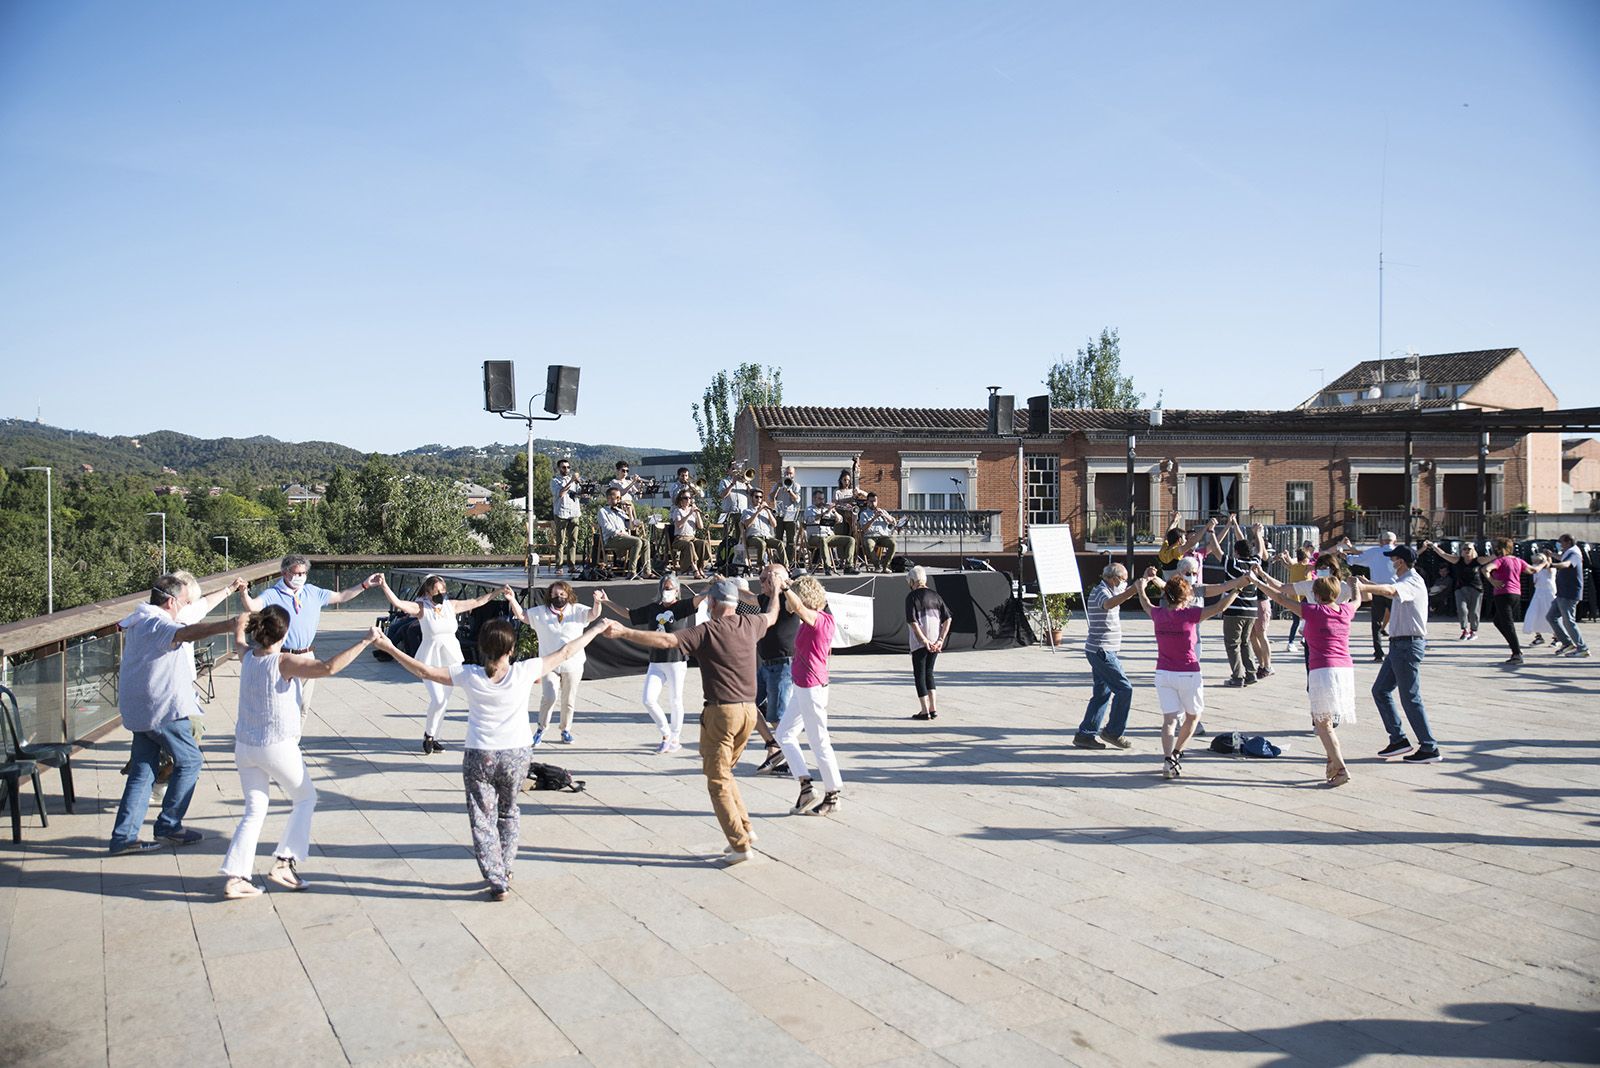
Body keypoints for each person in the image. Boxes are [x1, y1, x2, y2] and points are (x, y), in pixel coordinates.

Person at [374, 616, 606, 900]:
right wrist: (595, 628)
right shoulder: (524, 670)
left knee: (482, 819)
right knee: (509, 812)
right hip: (516, 754)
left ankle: (496, 879)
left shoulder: (468, 674)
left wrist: (389, 647)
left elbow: (424, 671)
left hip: (479, 755)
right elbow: (567, 651)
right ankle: (505, 868)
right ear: (511, 648)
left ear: (482, 647)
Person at [602, 578, 784, 864]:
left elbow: (666, 640)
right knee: (726, 772)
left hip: (722, 713)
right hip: (749, 713)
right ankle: (745, 830)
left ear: (712, 604)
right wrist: (775, 592)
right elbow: (772, 615)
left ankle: (739, 845)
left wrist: (625, 632)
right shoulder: (750, 625)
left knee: (717, 780)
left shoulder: (706, 631)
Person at [219, 606, 375, 898]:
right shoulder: (283, 662)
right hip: (275, 744)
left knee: (254, 810)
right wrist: (364, 641)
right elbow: (327, 668)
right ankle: (284, 863)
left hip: (245, 747)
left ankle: (236, 876)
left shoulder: (248, 657)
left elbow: (240, 642)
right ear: (285, 632)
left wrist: (239, 627)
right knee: (305, 798)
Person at [108, 575, 241, 853]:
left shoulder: (140, 619)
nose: (186, 607)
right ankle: (169, 826)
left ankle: (124, 838)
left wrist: (229, 590)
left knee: (143, 772)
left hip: (140, 712)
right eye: (184, 602)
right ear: (170, 601)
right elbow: (184, 633)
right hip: (162, 710)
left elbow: (196, 613)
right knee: (190, 761)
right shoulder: (158, 623)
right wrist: (229, 625)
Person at [374, 574, 509, 754]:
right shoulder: (422, 608)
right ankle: (429, 736)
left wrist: (498, 591)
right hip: (430, 660)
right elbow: (398, 603)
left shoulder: (450, 606)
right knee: (437, 699)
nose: (440, 594)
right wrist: (384, 586)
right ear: (428, 592)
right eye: (436, 591)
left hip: (451, 659)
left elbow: (477, 601)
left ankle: (433, 737)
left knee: (444, 701)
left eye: (442, 591)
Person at [1133, 568, 1241, 781]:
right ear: (1186, 596)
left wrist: (1141, 588)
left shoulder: (1158, 614)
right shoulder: (1190, 615)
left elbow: (1146, 602)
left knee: (1169, 720)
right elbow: (1219, 606)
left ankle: (1166, 757)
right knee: (1193, 717)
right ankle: (1176, 754)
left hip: (1163, 673)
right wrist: (1236, 590)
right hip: (1188, 672)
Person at [1254, 572, 1356, 787]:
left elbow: (1281, 598)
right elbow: (1358, 600)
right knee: (1326, 722)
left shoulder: (1314, 611)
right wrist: (1355, 586)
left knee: (1322, 723)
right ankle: (1332, 762)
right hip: (1345, 669)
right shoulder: (1346, 610)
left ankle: (1341, 767)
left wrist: (1257, 582)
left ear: (1317, 595)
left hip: (1323, 669)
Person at [242, 555, 379, 714]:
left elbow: (341, 596)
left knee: (303, 707)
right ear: (285, 573)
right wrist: (244, 593)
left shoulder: (312, 591)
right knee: (281, 706)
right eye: (297, 573)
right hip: (283, 655)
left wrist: (365, 585)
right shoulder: (272, 594)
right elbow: (252, 606)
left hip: (307, 654)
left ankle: (296, 738)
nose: (301, 577)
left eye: (304, 573)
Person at [1359, 544, 1442, 764]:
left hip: (1407, 645)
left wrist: (1364, 586)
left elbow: (1390, 591)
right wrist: (1370, 585)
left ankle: (1429, 746)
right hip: (1399, 646)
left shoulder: (1412, 581)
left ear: (1401, 562)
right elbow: (1389, 588)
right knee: (1381, 690)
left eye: (1393, 560)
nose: (1391, 564)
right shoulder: (1404, 581)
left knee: (1410, 698)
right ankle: (1398, 740)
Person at [775, 575, 843, 816]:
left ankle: (832, 794)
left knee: (819, 740)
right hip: (804, 685)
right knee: (784, 734)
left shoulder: (819, 620)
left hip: (812, 687)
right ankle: (805, 786)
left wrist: (785, 588)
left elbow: (802, 610)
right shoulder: (813, 621)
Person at [622, 574, 698, 753]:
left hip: (676, 660)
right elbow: (629, 614)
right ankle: (665, 733)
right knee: (648, 699)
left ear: (677, 590)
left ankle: (675, 737)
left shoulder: (681, 607)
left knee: (675, 699)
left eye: (670, 588)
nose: (667, 591)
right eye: (665, 588)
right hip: (656, 660)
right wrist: (606, 602)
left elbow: (698, 600)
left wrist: (711, 588)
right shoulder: (653, 609)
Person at [521, 581, 603, 745]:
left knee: (568, 699)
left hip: (573, 664)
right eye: (555, 594)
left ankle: (565, 730)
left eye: (562, 594)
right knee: (549, 696)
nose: (559, 597)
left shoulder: (577, 610)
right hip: (549, 663)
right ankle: (541, 729)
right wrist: (511, 599)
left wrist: (597, 602)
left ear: (568, 595)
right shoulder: (541, 612)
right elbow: (524, 617)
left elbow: (594, 615)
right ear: (550, 596)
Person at [1072, 563, 1142, 751]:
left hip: (1101, 650)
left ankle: (1085, 734)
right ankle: (1113, 732)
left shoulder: (1110, 590)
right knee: (1124, 689)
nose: (1124, 583)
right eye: (1123, 579)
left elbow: (1121, 596)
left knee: (1102, 694)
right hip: (1101, 651)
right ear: (1113, 578)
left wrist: (1142, 583)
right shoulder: (1101, 592)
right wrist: (1134, 589)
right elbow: (1109, 603)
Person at [1340, 531, 1400, 661]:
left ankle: (1378, 653)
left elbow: (1354, 559)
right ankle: (1395, 651)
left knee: (1376, 623)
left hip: (1376, 589)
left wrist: (1343, 554)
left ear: (1381, 541)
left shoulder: (1374, 552)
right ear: (1395, 541)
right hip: (1395, 591)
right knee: (1396, 622)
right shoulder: (1400, 552)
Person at [1215, 523, 1263, 686]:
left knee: (1232, 643)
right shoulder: (1255, 564)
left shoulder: (1232, 564)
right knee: (1245, 642)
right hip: (1251, 610)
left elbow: (1216, 550)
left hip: (1234, 609)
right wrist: (1257, 534)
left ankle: (1237, 676)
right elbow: (1260, 551)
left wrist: (1211, 532)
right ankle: (1251, 673)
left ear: (1236, 552)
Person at [906, 566, 951, 720]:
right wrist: (940, 640)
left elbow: (912, 621)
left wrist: (923, 640)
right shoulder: (936, 596)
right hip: (935, 641)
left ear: (912, 581)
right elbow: (948, 618)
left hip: (920, 643)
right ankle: (933, 708)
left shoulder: (911, 597)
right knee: (929, 673)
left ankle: (924, 710)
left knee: (920, 674)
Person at [1424, 540, 1485, 640]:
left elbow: (1491, 558)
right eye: (1464, 549)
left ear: (1473, 550)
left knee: (1474, 611)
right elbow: (1443, 554)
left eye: (1469, 549)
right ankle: (1464, 630)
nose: (1466, 551)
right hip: (1460, 588)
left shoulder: (1478, 560)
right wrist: (1433, 546)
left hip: (1476, 588)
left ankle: (1473, 631)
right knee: (1462, 609)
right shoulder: (1458, 560)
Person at [1484, 538, 1530, 664]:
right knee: (1498, 621)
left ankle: (1517, 653)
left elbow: (1485, 569)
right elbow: (1532, 570)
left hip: (1503, 594)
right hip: (1516, 594)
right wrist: (1545, 563)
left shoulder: (1500, 560)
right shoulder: (1518, 560)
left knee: (1508, 624)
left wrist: (1493, 581)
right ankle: (1514, 647)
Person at [1548, 533, 1590, 658]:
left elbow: (1566, 564)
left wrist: (1551, 565)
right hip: (1562, 593)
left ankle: (1582, 648)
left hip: (1569, 593)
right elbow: (1562, 558)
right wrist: (1551, 555)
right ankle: (1567, 643)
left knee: (1568, 621)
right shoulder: (1568, 552)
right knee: (1551, 617)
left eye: (1560, 541)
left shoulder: (1574, 554)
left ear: (1567, 542)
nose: (1559, 543)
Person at [597, 486, 646, 578]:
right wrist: (618, 532)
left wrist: (630, 512)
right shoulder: (603, 511)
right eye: (618, 497)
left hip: (623, 538)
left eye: (620, 497)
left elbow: (631, 527)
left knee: (645, 542)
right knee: (637, 541)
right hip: (612, 539)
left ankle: (647, 571)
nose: (620, 500)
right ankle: (631, 571)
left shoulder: (621, 512)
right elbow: (607, 528)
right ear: (610, 498)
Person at [804, 490, 855, 574]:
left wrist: (834, 511)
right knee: (823, 540)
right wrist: (825, 512)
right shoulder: (809, 509)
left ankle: (848, 566)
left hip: (829, 536)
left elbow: (840, 520)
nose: (822, 501)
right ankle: (828, 567)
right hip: (814, 537)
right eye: (819, 499)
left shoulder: (827, 509)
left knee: (850, 540)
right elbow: (812, 519)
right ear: (814, 499)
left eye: (823, 499)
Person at [550, 458, 584, 573]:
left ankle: (571, 566)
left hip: (574, 512)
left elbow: (582, 492)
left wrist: (579, 481)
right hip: (561, 513)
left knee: (573, 541)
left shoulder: (574, 480)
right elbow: (560, 493)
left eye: (568, 467)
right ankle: (559, 566)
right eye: (564, 467)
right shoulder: (555, 481)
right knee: (560, 542)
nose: (566, 469)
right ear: (559, 468)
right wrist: (571, 482)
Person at [742, 488, 787, 569]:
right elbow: (747, 524)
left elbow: (774, 525)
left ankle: (785, 567)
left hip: (767, 537)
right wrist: (758, 511)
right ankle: (761, 566)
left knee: (780, 543)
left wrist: (768, 511)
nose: (759, 499)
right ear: (751, 498)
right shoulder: (746, 511)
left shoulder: (765, 512)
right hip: (753, 537)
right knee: (762, 544)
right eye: (756, 497)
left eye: (760, 497)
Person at [856, 493, 901, 572]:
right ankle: (877, 566)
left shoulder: (882, 511)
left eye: (875, 501)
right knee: (869, 545)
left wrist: (885, 516)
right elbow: (863, 528)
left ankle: (885, 566)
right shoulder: (864, 514)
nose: (873, 503)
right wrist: (874, 518)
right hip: (870, 536)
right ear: (867, 502)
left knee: (893, 543)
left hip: (883, 536)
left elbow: (894, 523)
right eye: (871, 501)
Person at [670, 489, 708, 577]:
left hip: (692, 537)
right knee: (689, 545)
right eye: (685, 498)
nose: (688, 500)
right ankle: (694, 569)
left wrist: (697, 514)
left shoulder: (693, 511)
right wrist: (688, 514)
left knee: (702, 543)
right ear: (680, 500)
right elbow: (679, 525)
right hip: (680, 538)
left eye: (689, 498)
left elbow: (701, 526)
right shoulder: (678, 511)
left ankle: (700, 567)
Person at [1283, 546, 1314, 652]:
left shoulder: (1294, 566)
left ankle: (1292, 642)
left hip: (1293, 597)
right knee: (1309, 619)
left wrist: (1284, 558)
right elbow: (1317, 566)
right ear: (1306, 557)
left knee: (1296, 621)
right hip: (1305, 597)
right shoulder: (1307, 567)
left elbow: (1286, 565)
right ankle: (1303, 638)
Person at [771, 466, 804, 566]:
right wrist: (777, 485)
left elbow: (796, 500)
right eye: (786, 473)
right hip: (780, 514)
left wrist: (790, 491)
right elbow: (771, 497)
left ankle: (789, 561)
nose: (788, 475)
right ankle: (780, 560)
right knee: (778, 539)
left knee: (790, 540)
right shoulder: (779, 485)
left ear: (794, 474)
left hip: (790, 514)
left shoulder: (796, 485)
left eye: (790, 473)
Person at [1522, 553, 1556, 647]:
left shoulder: (1551, 569)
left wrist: (1548, 558)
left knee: (1551, 615)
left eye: (1536, 561)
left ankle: (1556, 637)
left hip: (1549, 594)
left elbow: (1550, 568)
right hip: (1538, 593)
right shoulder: (1536, 569)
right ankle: (1538, 636)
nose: (1534, 563)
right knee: (1533, 614)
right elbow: (1535, 581)